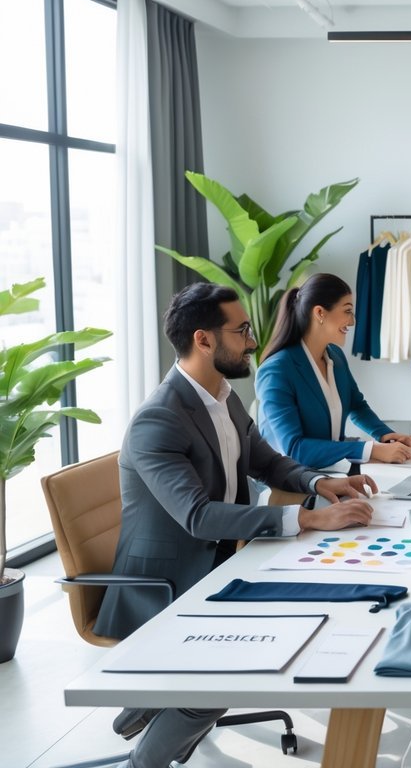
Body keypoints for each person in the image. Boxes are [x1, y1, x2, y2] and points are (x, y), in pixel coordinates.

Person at [95, 283, 376, 768]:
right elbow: (199, 516)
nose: (252, 340)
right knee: (228, 676)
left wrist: (318, 483)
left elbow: (267, 462)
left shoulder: (222, 395)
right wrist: (307, 518)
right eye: (241, 330)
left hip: (225, 559)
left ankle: (145, 705)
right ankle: (144, 759)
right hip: (165, 586)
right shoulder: (159, 419)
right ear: (204, 340)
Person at [256, 273, 411, 468]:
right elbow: (295, 449)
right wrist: (371, 449)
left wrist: (385, 435)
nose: (352, 322)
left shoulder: (335, 356)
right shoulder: (276, 371)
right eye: (347, 311)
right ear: (320, 313)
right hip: (291, 485)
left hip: (331, 473)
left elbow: (357, 404)